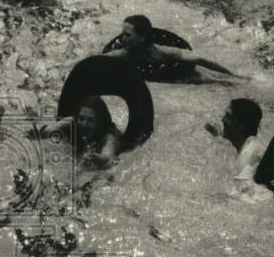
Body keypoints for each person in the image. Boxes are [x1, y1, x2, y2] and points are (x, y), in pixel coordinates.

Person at [105, 15, 243, 81]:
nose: (122, 39)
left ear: (142, 37)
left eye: (127, 35)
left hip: (176, 71)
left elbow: (200, 59)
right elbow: (99, 60)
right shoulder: (124, 54)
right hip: (156, 73)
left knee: (216, 81)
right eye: (123, 34)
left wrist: (232, 75)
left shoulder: (162, 52)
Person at [37, 95, 122, 170]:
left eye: (90, 120)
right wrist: (38, 133)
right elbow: (49, 130)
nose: (84, 124)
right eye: (81, 118)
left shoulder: (109, 136)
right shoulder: (71, 123)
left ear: (99, 122)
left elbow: (107, 157)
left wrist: (95, 157)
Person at [205, 98, 267, 196]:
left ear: (240, 125)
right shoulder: (244, 144)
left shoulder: (253, 151)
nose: (223, 119)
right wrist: (215, 134)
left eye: (228, 116)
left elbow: (245, 189)